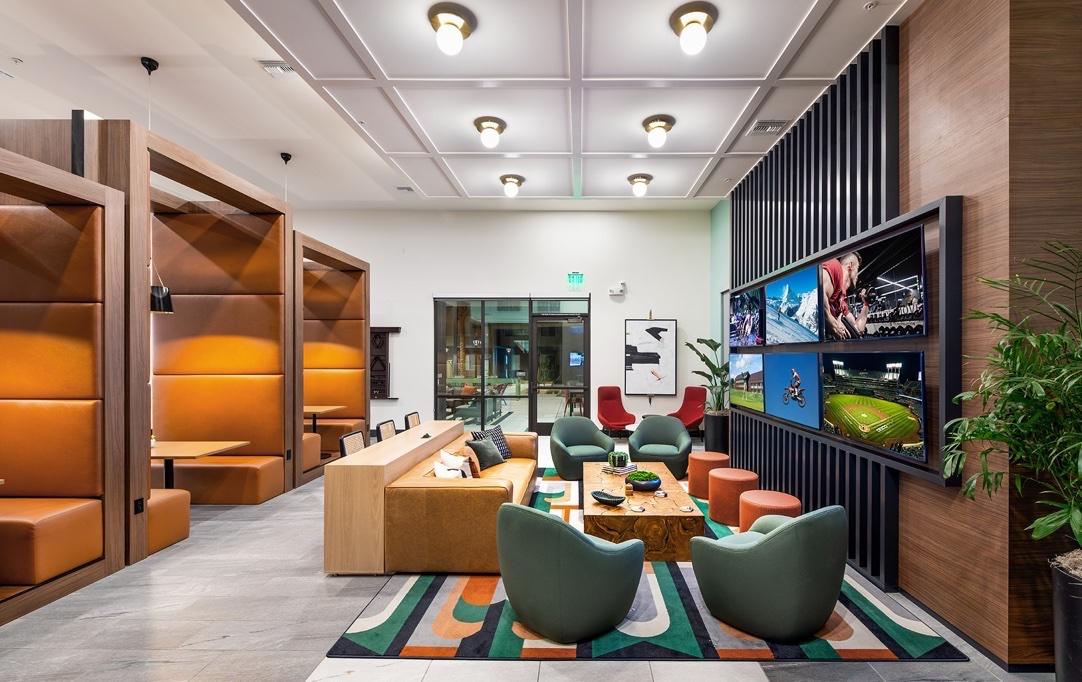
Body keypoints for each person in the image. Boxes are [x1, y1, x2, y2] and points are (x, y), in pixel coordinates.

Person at [821, 252, 869, 340]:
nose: (857, 275)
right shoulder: (835, 266)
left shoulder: (841, 303)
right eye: (857, 268)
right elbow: (819, 290)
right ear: (850, 265)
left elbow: (858, 330)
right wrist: (832, 322)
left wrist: (866, 303)